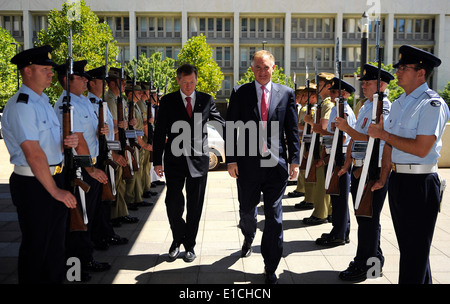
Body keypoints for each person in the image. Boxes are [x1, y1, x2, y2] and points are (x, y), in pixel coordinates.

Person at [369, 45, 449, 284]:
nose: (398, 72)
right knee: (411, 249)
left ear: (421, 73)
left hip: (421, 183)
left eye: (404, 68)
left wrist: (384, 135)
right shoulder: (399, 103)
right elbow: (390, 148)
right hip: (399, 180)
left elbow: (421, 148)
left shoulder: (431, 104)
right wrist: (384, 178)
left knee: (414, 253)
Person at [2, 45, 78, 284]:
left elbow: (48, 144)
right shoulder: (22, 105)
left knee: (55, 247)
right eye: (44, 69)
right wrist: (55, 190)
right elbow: (33, 154)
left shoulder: (43, 101)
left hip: (51, 177)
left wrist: (69, 141)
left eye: (50, 69)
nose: (50, 73)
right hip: (34, 184)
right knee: (37, 247)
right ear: (27, 71)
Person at [226, 50, 300, 284]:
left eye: (266, 67)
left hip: (276, 167)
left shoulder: (286, 94)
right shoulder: (240, 92)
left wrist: (295, 161)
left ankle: (270, 266)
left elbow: (293, 130)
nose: (262, 71)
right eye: (258, 67)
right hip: (247, 166)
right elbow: (231, 127)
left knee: (274, 217)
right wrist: (231, 159)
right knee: (247, 211)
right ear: (251, 69)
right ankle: (248, 235)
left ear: (274, 68)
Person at [153, 64, 225, 263]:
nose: (188, 86)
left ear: (196, 80)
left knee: (195, 205)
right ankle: (177, 239)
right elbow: (159, 132)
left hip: (199, 161)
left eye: (192, 82)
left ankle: (190, 245)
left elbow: (221, 124)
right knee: (173, 203)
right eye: (184, 83)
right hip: (174, 160)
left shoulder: (206, 100)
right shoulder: (167, 101)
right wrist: (156, 161)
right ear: (178, 80)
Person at [334, 63, 393, 281]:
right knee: (365, 218)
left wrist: (346, 129)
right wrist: (347, 164)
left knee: (368, 218)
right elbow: (354, 141)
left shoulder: (384, 107)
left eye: (368, 82)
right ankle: (374, 260)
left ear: (381, 85)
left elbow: (375, 138)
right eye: (364, 82)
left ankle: (364, 263)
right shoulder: (367, 106)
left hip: (374, 169)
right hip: (361, 167)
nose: (364, 86)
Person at [54, 60, 111, 281]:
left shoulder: (82, 101)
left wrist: (101, 130)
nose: (86, 80)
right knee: (78, 221)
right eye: (81, 77)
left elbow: (89, 134)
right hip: (79, 170)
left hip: (90, 165)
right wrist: (90, 169)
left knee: (87, 218)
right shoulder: (69, 103)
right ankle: (76, 269)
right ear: (68, 80)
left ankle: (84, 260)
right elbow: (77, 139)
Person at [85, 66, 129, 250]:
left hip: (106, 155)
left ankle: (105, 233)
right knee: (99, 202)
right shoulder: (92, 103)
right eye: (101, 81)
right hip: (98, 158)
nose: (104, 85)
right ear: (91, 83)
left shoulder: (100, 103)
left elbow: (110, 132)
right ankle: (100, 236)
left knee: (105, 199)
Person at [315, 78, 356, 246]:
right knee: (335, 196)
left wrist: (322, 131)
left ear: (344, 94)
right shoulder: (335, 109)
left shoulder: (344, 110)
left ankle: (340, 233)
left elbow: (343, 137)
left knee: (339, 196)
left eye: (334, 91)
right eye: (331, 91)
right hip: (333, 155)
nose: (330, 94)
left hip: (341, 156)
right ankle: (339, 230)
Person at [104, 67, 139, 226]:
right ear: (112, 83)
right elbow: (113, 126)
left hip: (122, 142)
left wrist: (129, 123)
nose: (125, 85)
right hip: (116, 143)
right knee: (116, 182)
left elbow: (122, 122)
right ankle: (115, 215)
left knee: (121, 181)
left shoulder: (120, 99)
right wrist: (118, 149)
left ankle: (121, 212)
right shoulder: (110, 99)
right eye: (122, 82)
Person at [302, 72, 335, 225]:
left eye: (319, 85)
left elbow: (322, 128)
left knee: (323, 183)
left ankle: (321, 214)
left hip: (327, 147)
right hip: (323, 145)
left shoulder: (328, 104)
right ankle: (325, 212)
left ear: (328, 86)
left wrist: (309, 121)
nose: (317, 88)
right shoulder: (324, 103)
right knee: (322, 182)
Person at [123, 81, 153, 209]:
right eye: (138, 92)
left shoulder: (135, 106)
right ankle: (131, 200)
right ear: (130, 94)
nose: (141, 94)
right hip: (133, 142)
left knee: (138, 172)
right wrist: (142, 143)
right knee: (132, 172)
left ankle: (137, 197)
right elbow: (133, 129)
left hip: (138, 142)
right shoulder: (130, 106)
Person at [292, 85, 317, 210]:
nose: (302, 97)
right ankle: (307, 197)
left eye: (306, 95)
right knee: (304, 170)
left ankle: (310, 199)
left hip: (311, 144)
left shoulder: (312, 110)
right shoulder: (306, 109)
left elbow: (309, 127)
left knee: (309, 172)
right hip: (305, 142)